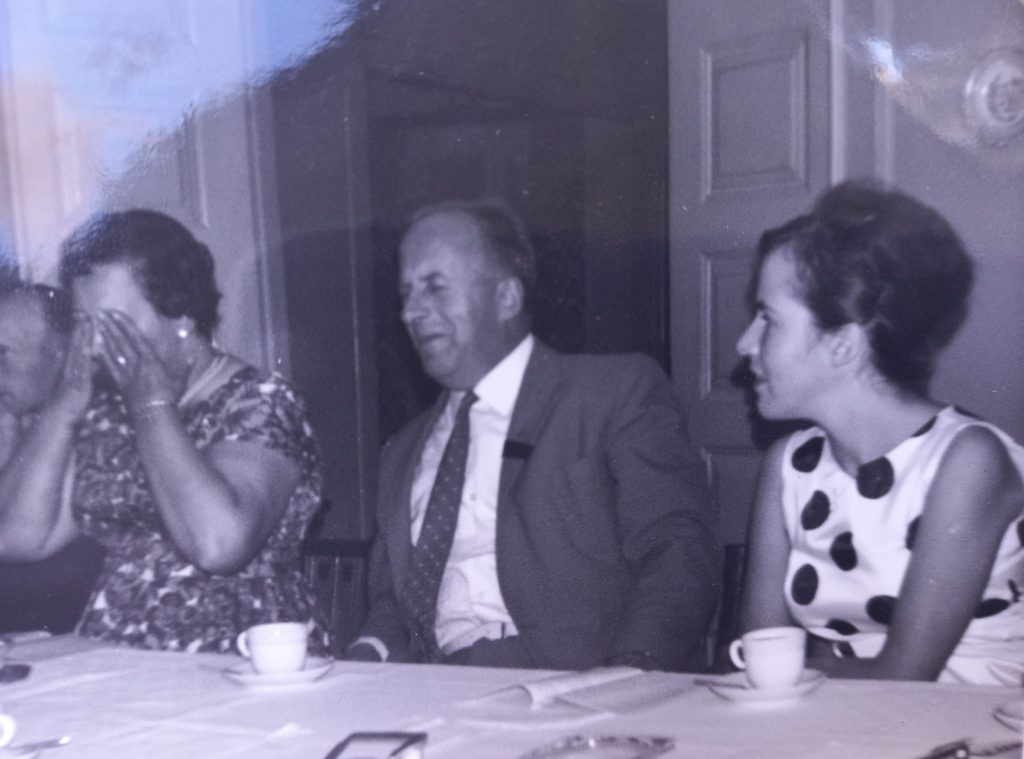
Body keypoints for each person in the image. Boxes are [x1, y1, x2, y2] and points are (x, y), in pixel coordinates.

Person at [348, 198, 719, 670]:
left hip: (573, 682)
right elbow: (390, 603)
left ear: (507, 297)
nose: (411, 312)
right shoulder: (401, 451)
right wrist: (362, 657)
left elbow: (679, 550)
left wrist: (631, 670)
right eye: (406, 294)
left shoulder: (611, 395)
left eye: (435, 287)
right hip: (430, 686)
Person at [0, 210, 328, 654]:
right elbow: (20, 537)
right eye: (84, 326)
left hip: (241, 655)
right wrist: (64, 406)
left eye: (113, 325)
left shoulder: (260, 401)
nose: (95, 346)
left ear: (182, 316)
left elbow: (218, 544)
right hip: (117, 653)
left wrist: (150, 406)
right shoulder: (108, 410)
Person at [736, 181, 1024, 685]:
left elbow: (905, 676)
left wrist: (798, 674)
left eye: (769, 319)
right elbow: (762, 656)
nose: (745, 343)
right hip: (849, 718)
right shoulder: (789, 466)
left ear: (843, 345)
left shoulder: (966, 461)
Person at [0, 283, 105, 634]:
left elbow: (12, 540)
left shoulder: (99, 421)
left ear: (63, 353)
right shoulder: (17, 413)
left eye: (2, 353)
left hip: (67, 631)